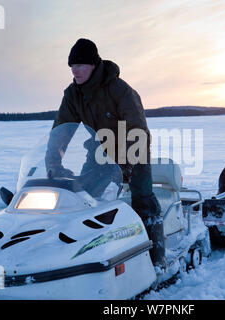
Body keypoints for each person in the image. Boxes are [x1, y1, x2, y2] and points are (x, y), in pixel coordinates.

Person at [46, 38, 166, 269]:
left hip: (134, 151)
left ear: (93, 65)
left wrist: (129, 163)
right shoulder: (73, 94)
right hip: (99, 153)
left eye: (80, 65)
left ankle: (156, 260)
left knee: (143, 200)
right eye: (71, 66)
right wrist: (53, 163)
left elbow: (137, 129)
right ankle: (82, 254)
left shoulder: (119, 89)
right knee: (82, 197)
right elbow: (61, 130)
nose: (74, 70)